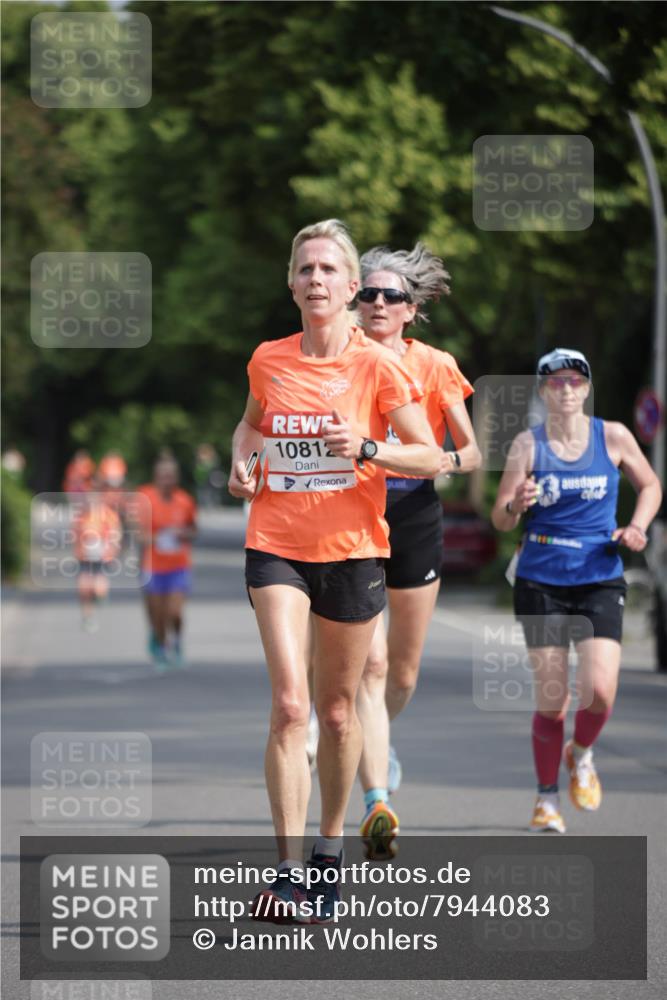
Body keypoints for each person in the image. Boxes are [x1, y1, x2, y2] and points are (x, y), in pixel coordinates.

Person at [228, 219, 448, 923]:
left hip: (353, 548)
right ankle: (287, 872)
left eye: (328, 270)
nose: (315, 280)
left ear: (352, 289)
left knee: (336, 709)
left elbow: (430, 456)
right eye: (304, 269)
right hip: (276, 541)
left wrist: (367, 446)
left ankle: (328, 854)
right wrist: (242, 457)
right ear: (290, 283)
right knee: (291, 706)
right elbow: (251, 424)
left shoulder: (379, 366)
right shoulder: (268, 358)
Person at [491, 348, 662, 833]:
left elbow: (650, 485)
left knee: (601, 693)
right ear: (544, 392)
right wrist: (515, 504)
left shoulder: (613, 436)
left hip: (599, 575)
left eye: (574, 382)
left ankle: (581, 755)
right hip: (541, 578)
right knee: (553, 701)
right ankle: (546, 799)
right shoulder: (527, 444)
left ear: (586, 389)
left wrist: (637, 526)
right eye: (555, 382)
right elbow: (500, 517)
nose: (565, 390)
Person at [354, 243, 481, 859]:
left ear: (411, 310)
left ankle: (380, 739)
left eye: (391, 296)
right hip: (352, 517)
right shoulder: (337, 360)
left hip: (414, 514)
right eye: (368, 294)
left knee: (401, 671)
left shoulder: (434, 364)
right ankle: (377, 796)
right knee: (369, 667)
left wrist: (436, 461)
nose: (377, 304)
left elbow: (471, 452)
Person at [137, 457, 197, 671]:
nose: (167, 480)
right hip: (152, 566)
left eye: (171, 476)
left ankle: (177, 643)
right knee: (158, 613)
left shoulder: (185, 500)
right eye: (163, 476)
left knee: (175, 612)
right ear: (156, 478)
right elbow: (136, 531)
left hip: (178, 565)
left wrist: (183, 534)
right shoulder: (145, 498)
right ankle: (161, 646)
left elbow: (193, 529)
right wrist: (155, 538)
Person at [73, 481, 122, 632]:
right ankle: (88, 617)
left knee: (98, 588)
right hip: (85, 557)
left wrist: (112, 549)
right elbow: (75, 535)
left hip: (102, 556)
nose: (91, 500)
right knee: (84, 588)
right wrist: (78, 549)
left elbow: (116, 533)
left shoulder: (108, 515)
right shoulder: (81, 516)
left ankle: (100, 595)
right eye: (89, 497)